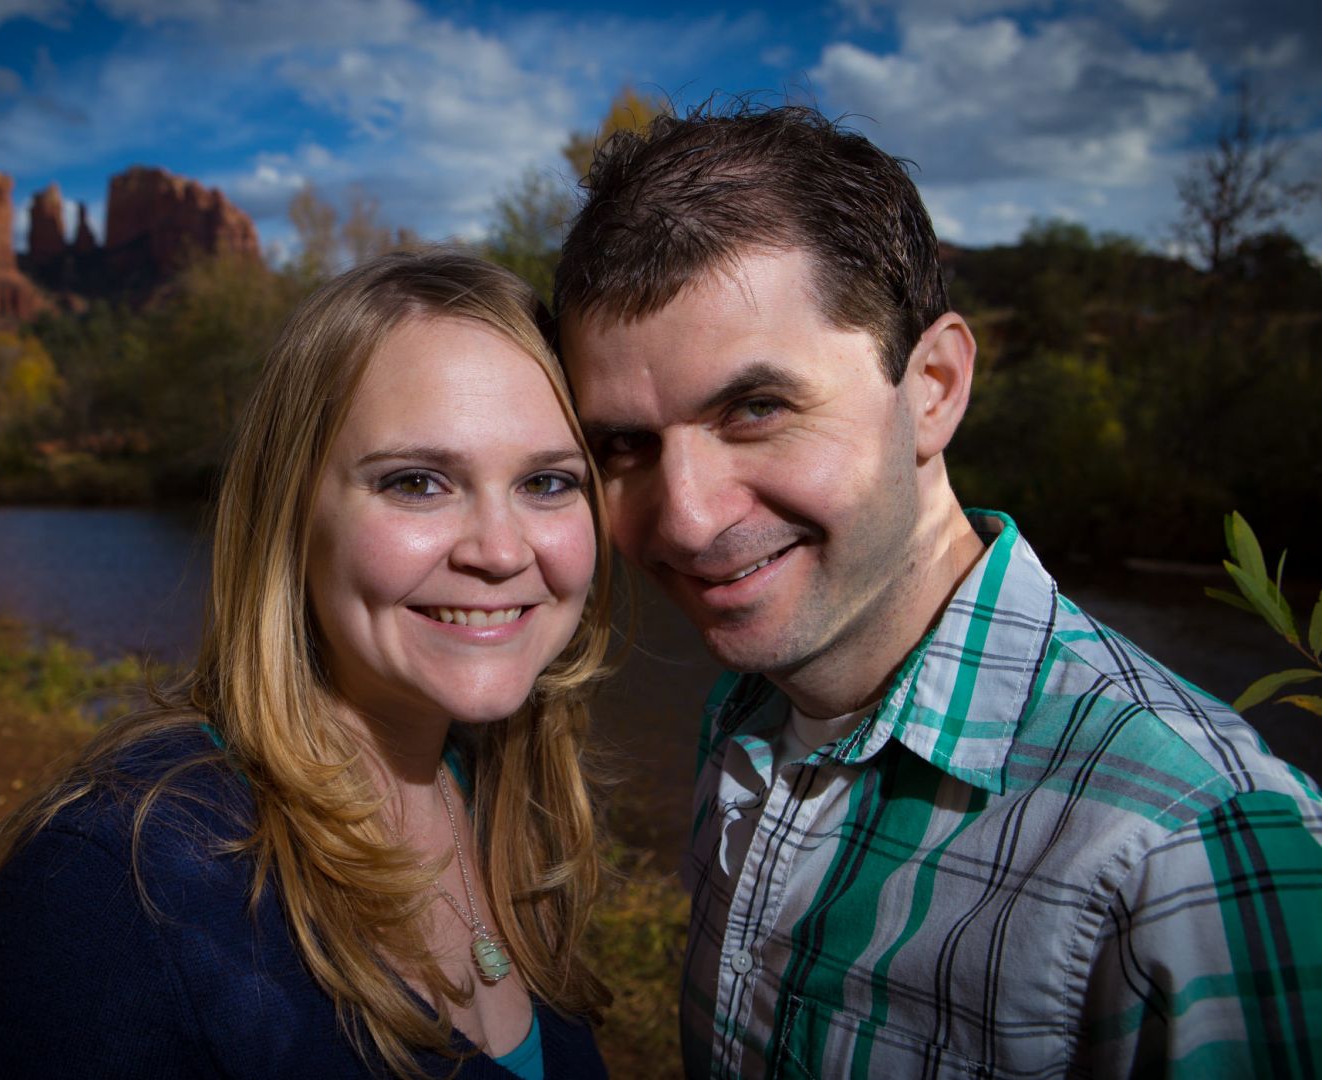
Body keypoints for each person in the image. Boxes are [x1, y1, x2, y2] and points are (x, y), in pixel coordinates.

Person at [555, 103, 1322, 1078]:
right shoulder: (746, 714)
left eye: (756, 408)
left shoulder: (1192, 844)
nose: (688, 520)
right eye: (624, 445)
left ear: (935, 387)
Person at [0, 249, 614, 1078]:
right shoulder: (120, 884)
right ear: (288, 510)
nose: (500, 551)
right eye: (417, 482)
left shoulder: (503, 802)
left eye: (547, 482)